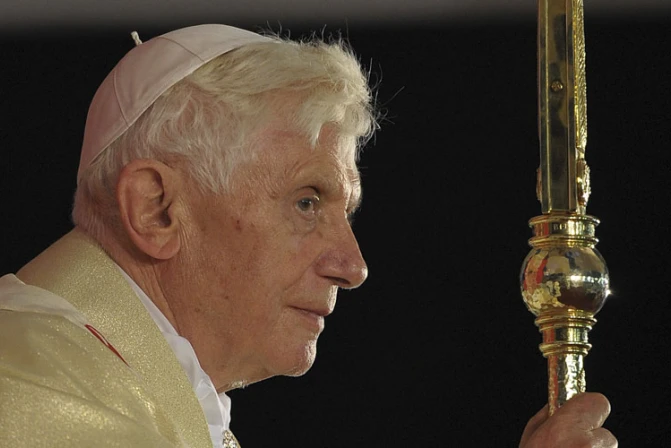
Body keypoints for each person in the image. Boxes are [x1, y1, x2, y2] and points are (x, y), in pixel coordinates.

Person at [0, 24, 616, 448]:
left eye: (346, 212)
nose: (353, 265)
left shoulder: (114, 386)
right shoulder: (29, 386)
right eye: (306, 201)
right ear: (157, 210)